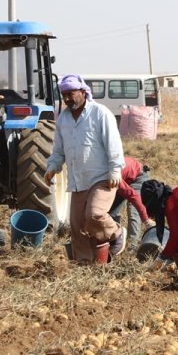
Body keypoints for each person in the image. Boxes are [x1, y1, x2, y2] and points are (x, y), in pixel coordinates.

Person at [44, 74, 126, 263]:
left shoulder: (100, 113)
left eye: (70, 94)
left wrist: (115, 169)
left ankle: (116, 233)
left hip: (102, 177)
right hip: (78, 180)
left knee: (94, 214)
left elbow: (113, 143)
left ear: (82, 92)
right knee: (78, 225)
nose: (66, 99)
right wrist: (52, 166)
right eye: (63, 95)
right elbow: (58, 151)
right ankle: (84, 264)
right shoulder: (63, 119)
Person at [108, 156, 156, 248]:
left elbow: (133, 196)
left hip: (138, 176)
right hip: (124, 178)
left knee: (133, 212)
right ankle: (116, 241)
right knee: (112, 212)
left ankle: (132, 247)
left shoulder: (110, 173)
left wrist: (146, 219)